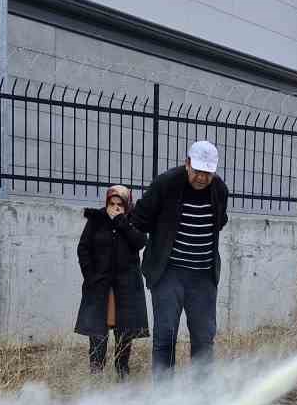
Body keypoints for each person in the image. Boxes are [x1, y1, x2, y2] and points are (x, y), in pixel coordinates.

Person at [131, 140, 229, 374]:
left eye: (208, 172)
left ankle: (198, 400)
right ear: (187, 164)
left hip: (203, 276)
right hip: (168, 274)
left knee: (204, 340)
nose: (202, 178)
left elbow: (220, 221)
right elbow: (140, 218)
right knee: (165, 338)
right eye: (197, 171)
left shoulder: (220, 190)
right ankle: (165, 401)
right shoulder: (165, 184)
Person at [74, 184, 148, 378]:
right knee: (97, 330)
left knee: (124, 332)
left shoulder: (134, 220)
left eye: (120, 204)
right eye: (112, 203)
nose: (115, 207)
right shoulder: (96, 220)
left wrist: (121, 221)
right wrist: (90, 275)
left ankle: (122, 371)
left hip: (126, 287)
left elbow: (140, 242)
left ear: (127, 205)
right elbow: (83, 249)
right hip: (99, 286)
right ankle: (96, 372)